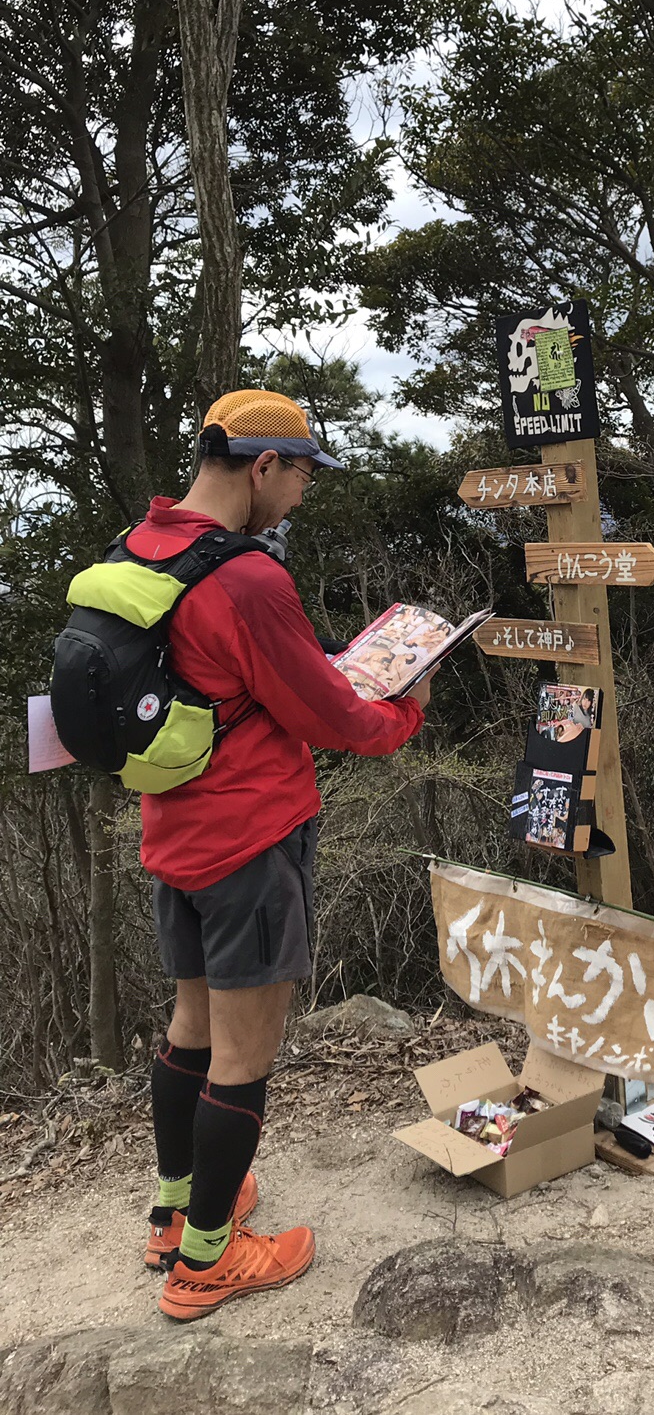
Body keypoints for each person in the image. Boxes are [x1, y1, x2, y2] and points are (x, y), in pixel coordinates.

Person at [127, 389, 434, 1323]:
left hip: (176, 833)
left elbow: (234, 675)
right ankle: (207, 1262)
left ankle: (176, 1214)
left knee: (190, 1028)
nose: (302, 495)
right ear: (263, 465)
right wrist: (407, 705)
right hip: (251, 842)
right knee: (244, 1053)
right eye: (301, 476)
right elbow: (337, 720)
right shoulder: (249, 579)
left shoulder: (146, 546)